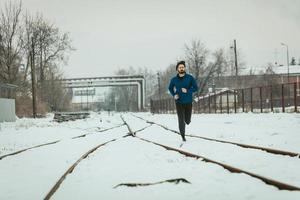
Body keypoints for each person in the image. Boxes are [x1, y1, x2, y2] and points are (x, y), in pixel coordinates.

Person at [168, 61, 198, 141]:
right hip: (179, 102)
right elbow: (170, 88)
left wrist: (188, 90)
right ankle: (183, 136)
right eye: (180, 67)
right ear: (177, 69)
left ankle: (187, 121)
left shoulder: (190, 78)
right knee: (180, 119)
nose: (181, 68)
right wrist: (174, 95)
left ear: (184, 68)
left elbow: (196, 88)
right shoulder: (174, 80)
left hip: (188, 102)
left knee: (187, 121)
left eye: (182, 67)